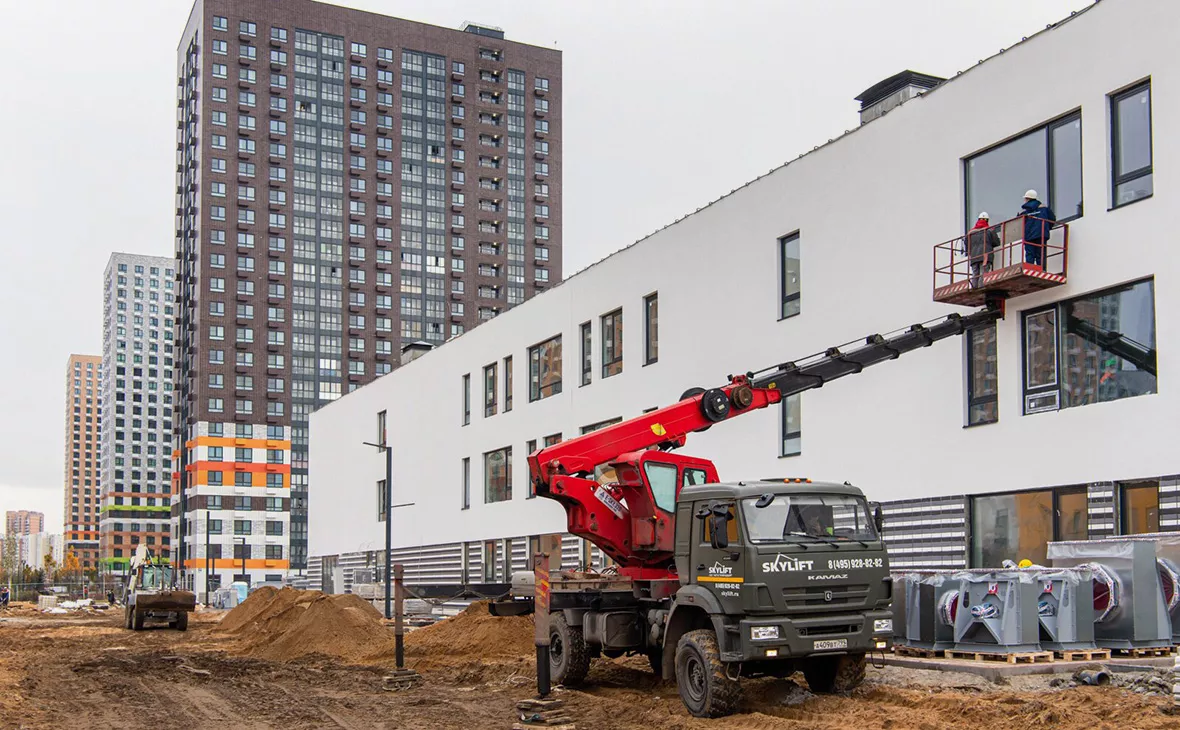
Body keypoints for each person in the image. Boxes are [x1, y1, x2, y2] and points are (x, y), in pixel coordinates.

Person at [1019, 189, 1056, 267]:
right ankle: (1042, 269)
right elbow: (1052, 219)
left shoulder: (1024, 212)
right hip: (1041, 235)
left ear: (1027, 199)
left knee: (1030, 255)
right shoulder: (1044, 208)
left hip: (1029, 236)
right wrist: (1047, 228)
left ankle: (1030, 269)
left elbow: (1018, 224)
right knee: (1041, 254)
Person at [964, 212, 1000, 288]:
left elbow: (966, 244)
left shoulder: (970, 233)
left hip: (974, 256)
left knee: (975, 272)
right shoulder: (990, 230)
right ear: (987, 220)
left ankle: (974, 287)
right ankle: (981, 287)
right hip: (985, 255)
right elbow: (996, 242)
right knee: (983, 272)